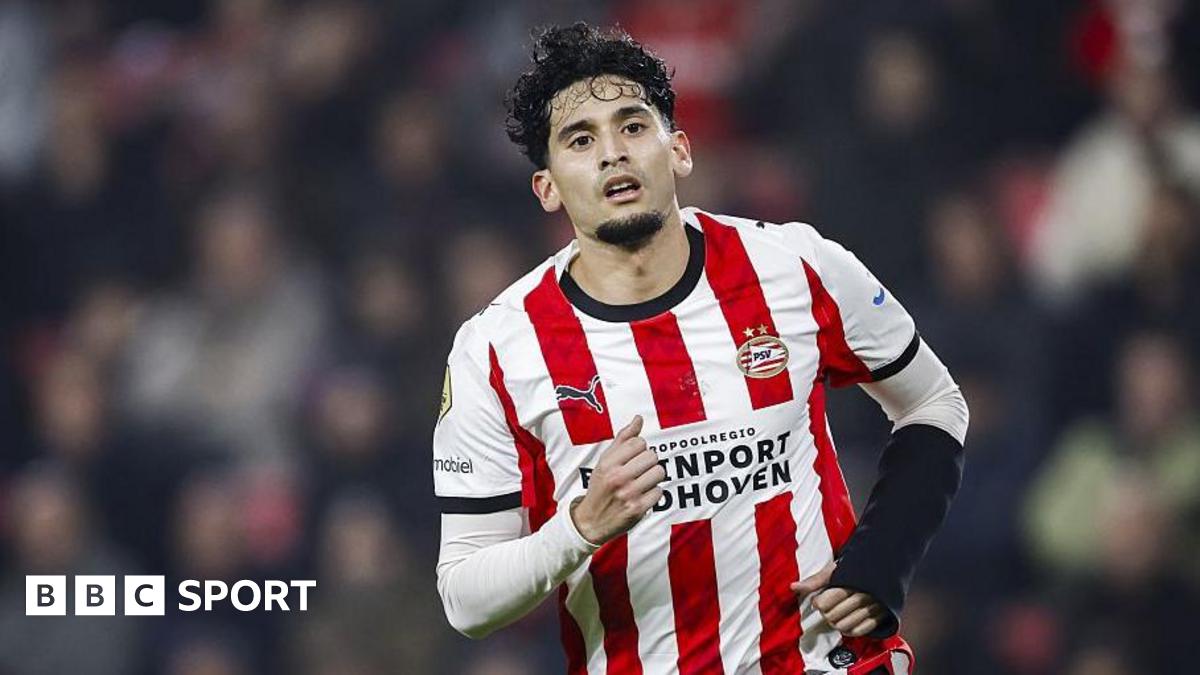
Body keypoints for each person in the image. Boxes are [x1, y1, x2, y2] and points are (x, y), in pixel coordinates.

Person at [433, 23, 968, 675]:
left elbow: (934, 403)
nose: (613, 153)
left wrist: (883, 556)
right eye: (581, 139)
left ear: (680, 150)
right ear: (547, 187)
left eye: (633, 126)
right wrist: (580, 527)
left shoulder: (797, 266)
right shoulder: (495, 349)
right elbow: (465, 598)